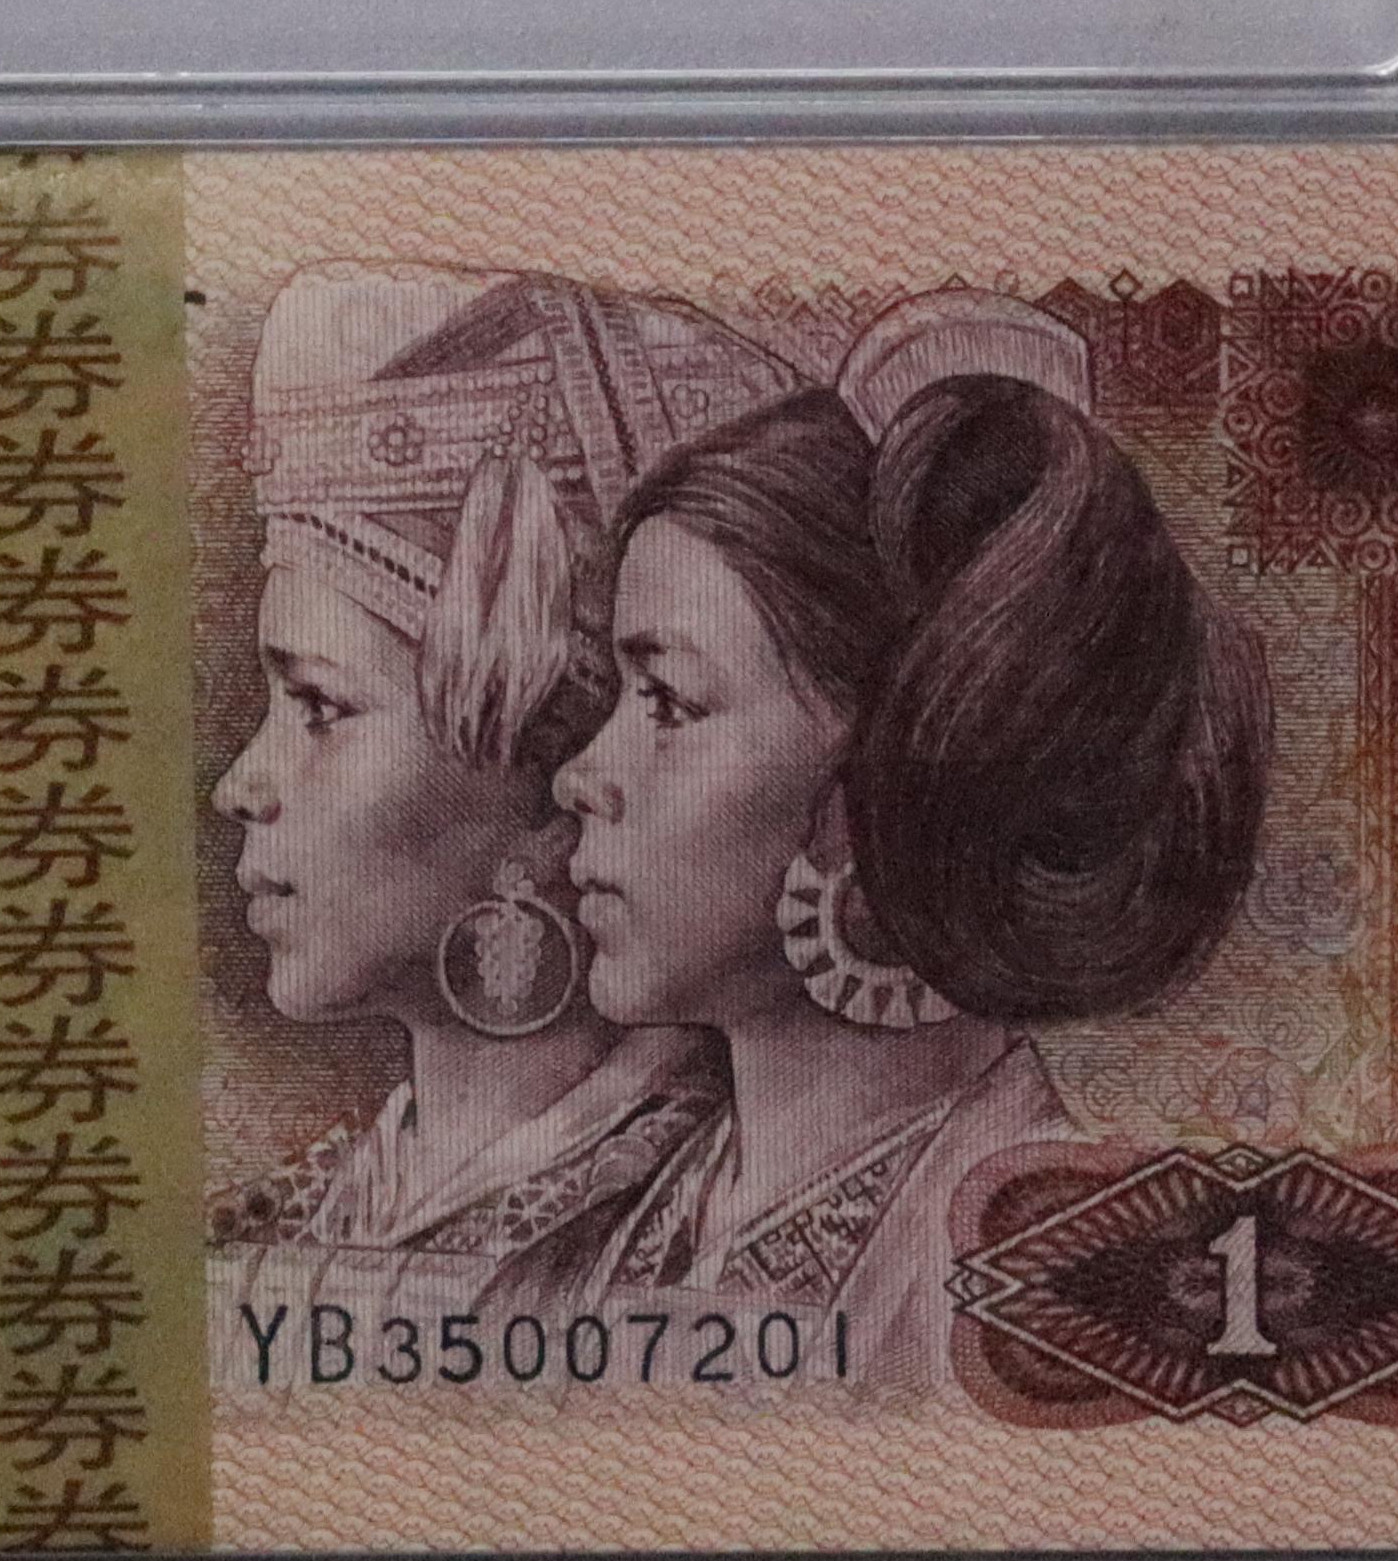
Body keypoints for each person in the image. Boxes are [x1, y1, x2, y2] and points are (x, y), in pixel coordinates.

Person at [535, 288, 1273, 1383]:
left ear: (886, 777)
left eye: (670, 702)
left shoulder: (1062, 1282)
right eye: (615, 695)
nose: (579, 775)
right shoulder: (605, 1227)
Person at [207, 263, 794, 1270]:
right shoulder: (276, 1226)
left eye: (320, 708)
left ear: (554, 791)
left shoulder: (718, 1246)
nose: (239, 786)